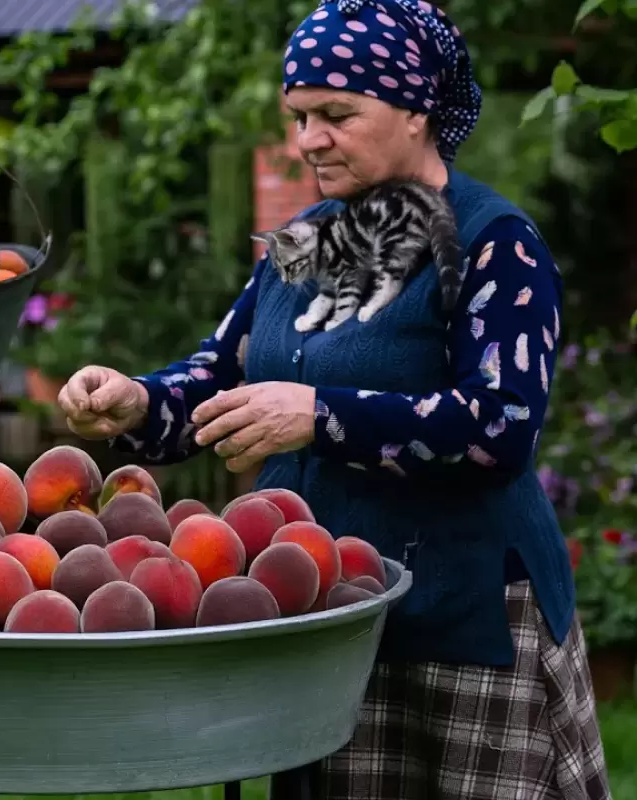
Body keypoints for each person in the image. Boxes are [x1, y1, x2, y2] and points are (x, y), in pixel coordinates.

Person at [58, 0, 611, 796]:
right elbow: (224, 371)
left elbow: (502, 426)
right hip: (323, 619)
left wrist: (319, 415)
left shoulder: (495, 244)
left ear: (417, 108)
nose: (308, 140)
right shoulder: (304, 242)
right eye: (300, 116)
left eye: (336, 115)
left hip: (463, 619)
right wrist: (139, 403)